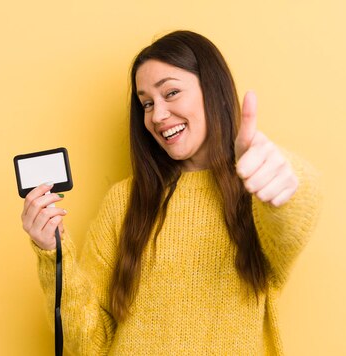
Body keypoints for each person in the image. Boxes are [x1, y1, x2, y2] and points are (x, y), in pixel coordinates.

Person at [21, 30, 322, 355]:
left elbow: (297, 210)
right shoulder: (124, 201)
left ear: (213, 90)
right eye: (147, 103)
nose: (157, 116)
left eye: (172, 92)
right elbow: (86, 345)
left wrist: (283, 176)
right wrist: (52, 253)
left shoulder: (256, 190)